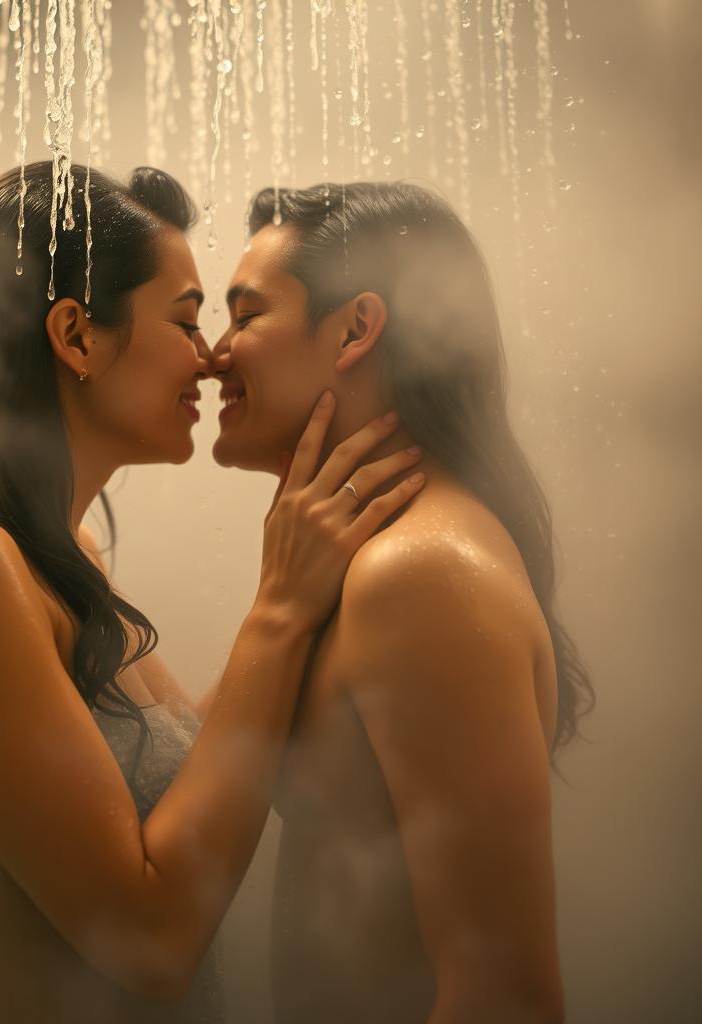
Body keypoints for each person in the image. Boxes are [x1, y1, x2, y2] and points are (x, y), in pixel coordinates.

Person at [0, 162, 427, 1024]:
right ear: (76, 336)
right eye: (186, 320)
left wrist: (313, 581)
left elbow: (197, 770)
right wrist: (280, 610)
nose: (211, 357)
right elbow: (149, 941)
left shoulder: (62, 554)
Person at [209, 181, 594, 1024]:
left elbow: (508, 995)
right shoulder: (357, 560)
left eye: (244, 316)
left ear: (355, 328)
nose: (215, 352)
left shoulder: (416, 574)